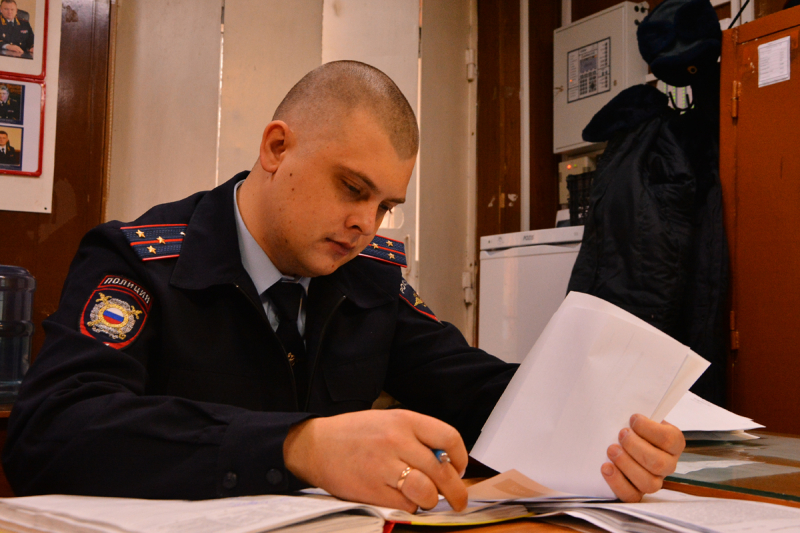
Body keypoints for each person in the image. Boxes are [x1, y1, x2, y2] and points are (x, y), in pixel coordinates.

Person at [2, 61, 685, 512]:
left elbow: (478, 390)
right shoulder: (139, 261)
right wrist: (299, 445)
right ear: (276, 149)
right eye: (352, 189)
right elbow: (48, 433)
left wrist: (604, 429)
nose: (365, 224)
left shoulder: (368, 278)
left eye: (385, 204)